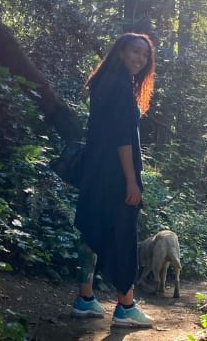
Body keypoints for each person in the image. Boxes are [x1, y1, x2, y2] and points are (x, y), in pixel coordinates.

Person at [70, 32, 156, 327]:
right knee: (122, 234)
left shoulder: (103, 82)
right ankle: (126, 305)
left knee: (93, 226)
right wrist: (131, 181)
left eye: (145, 55)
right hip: (116, 174)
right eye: (135, 52)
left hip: (95, 170)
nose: (140, 59)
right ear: (121, 52)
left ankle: (85, 300)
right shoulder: (120, 87)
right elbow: (123, 139)